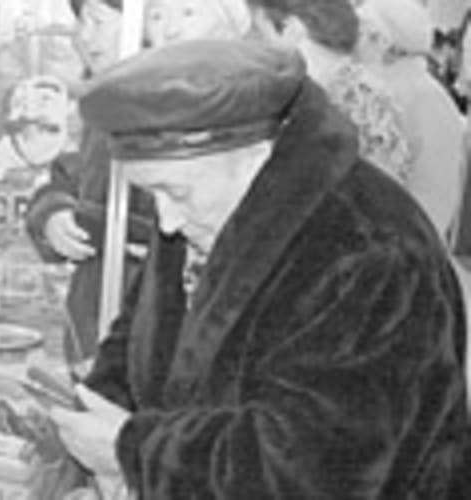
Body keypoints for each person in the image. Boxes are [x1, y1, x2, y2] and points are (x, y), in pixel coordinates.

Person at [49, 39, 468, 499]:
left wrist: (134, 451)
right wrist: (101, 402)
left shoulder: (371, 251)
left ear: (260, 157)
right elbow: (140, 332)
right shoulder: (211, 206)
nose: (165, 222)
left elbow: (320, 466)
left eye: (176, 192)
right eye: (153, 195)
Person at [25, 0, 155, 366]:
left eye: (97, 21)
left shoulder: (174, 105)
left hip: (147, 325)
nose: (83, 37)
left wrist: (104, 225)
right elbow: (63, 179)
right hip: (91, 319)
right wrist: (52, 215)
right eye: (80, 23)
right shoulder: (97, 104)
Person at [245, 0, 414, 184]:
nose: (253, 47)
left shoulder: (322, 103)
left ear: (290, 27)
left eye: (258, 34)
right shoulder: (367, 93)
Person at [355, 0, 466, 241]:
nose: (356, 42)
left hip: (404, 239)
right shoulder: (389, 87)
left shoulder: (424, 99)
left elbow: (432, 201)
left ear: (384, 44)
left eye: (364, 32)